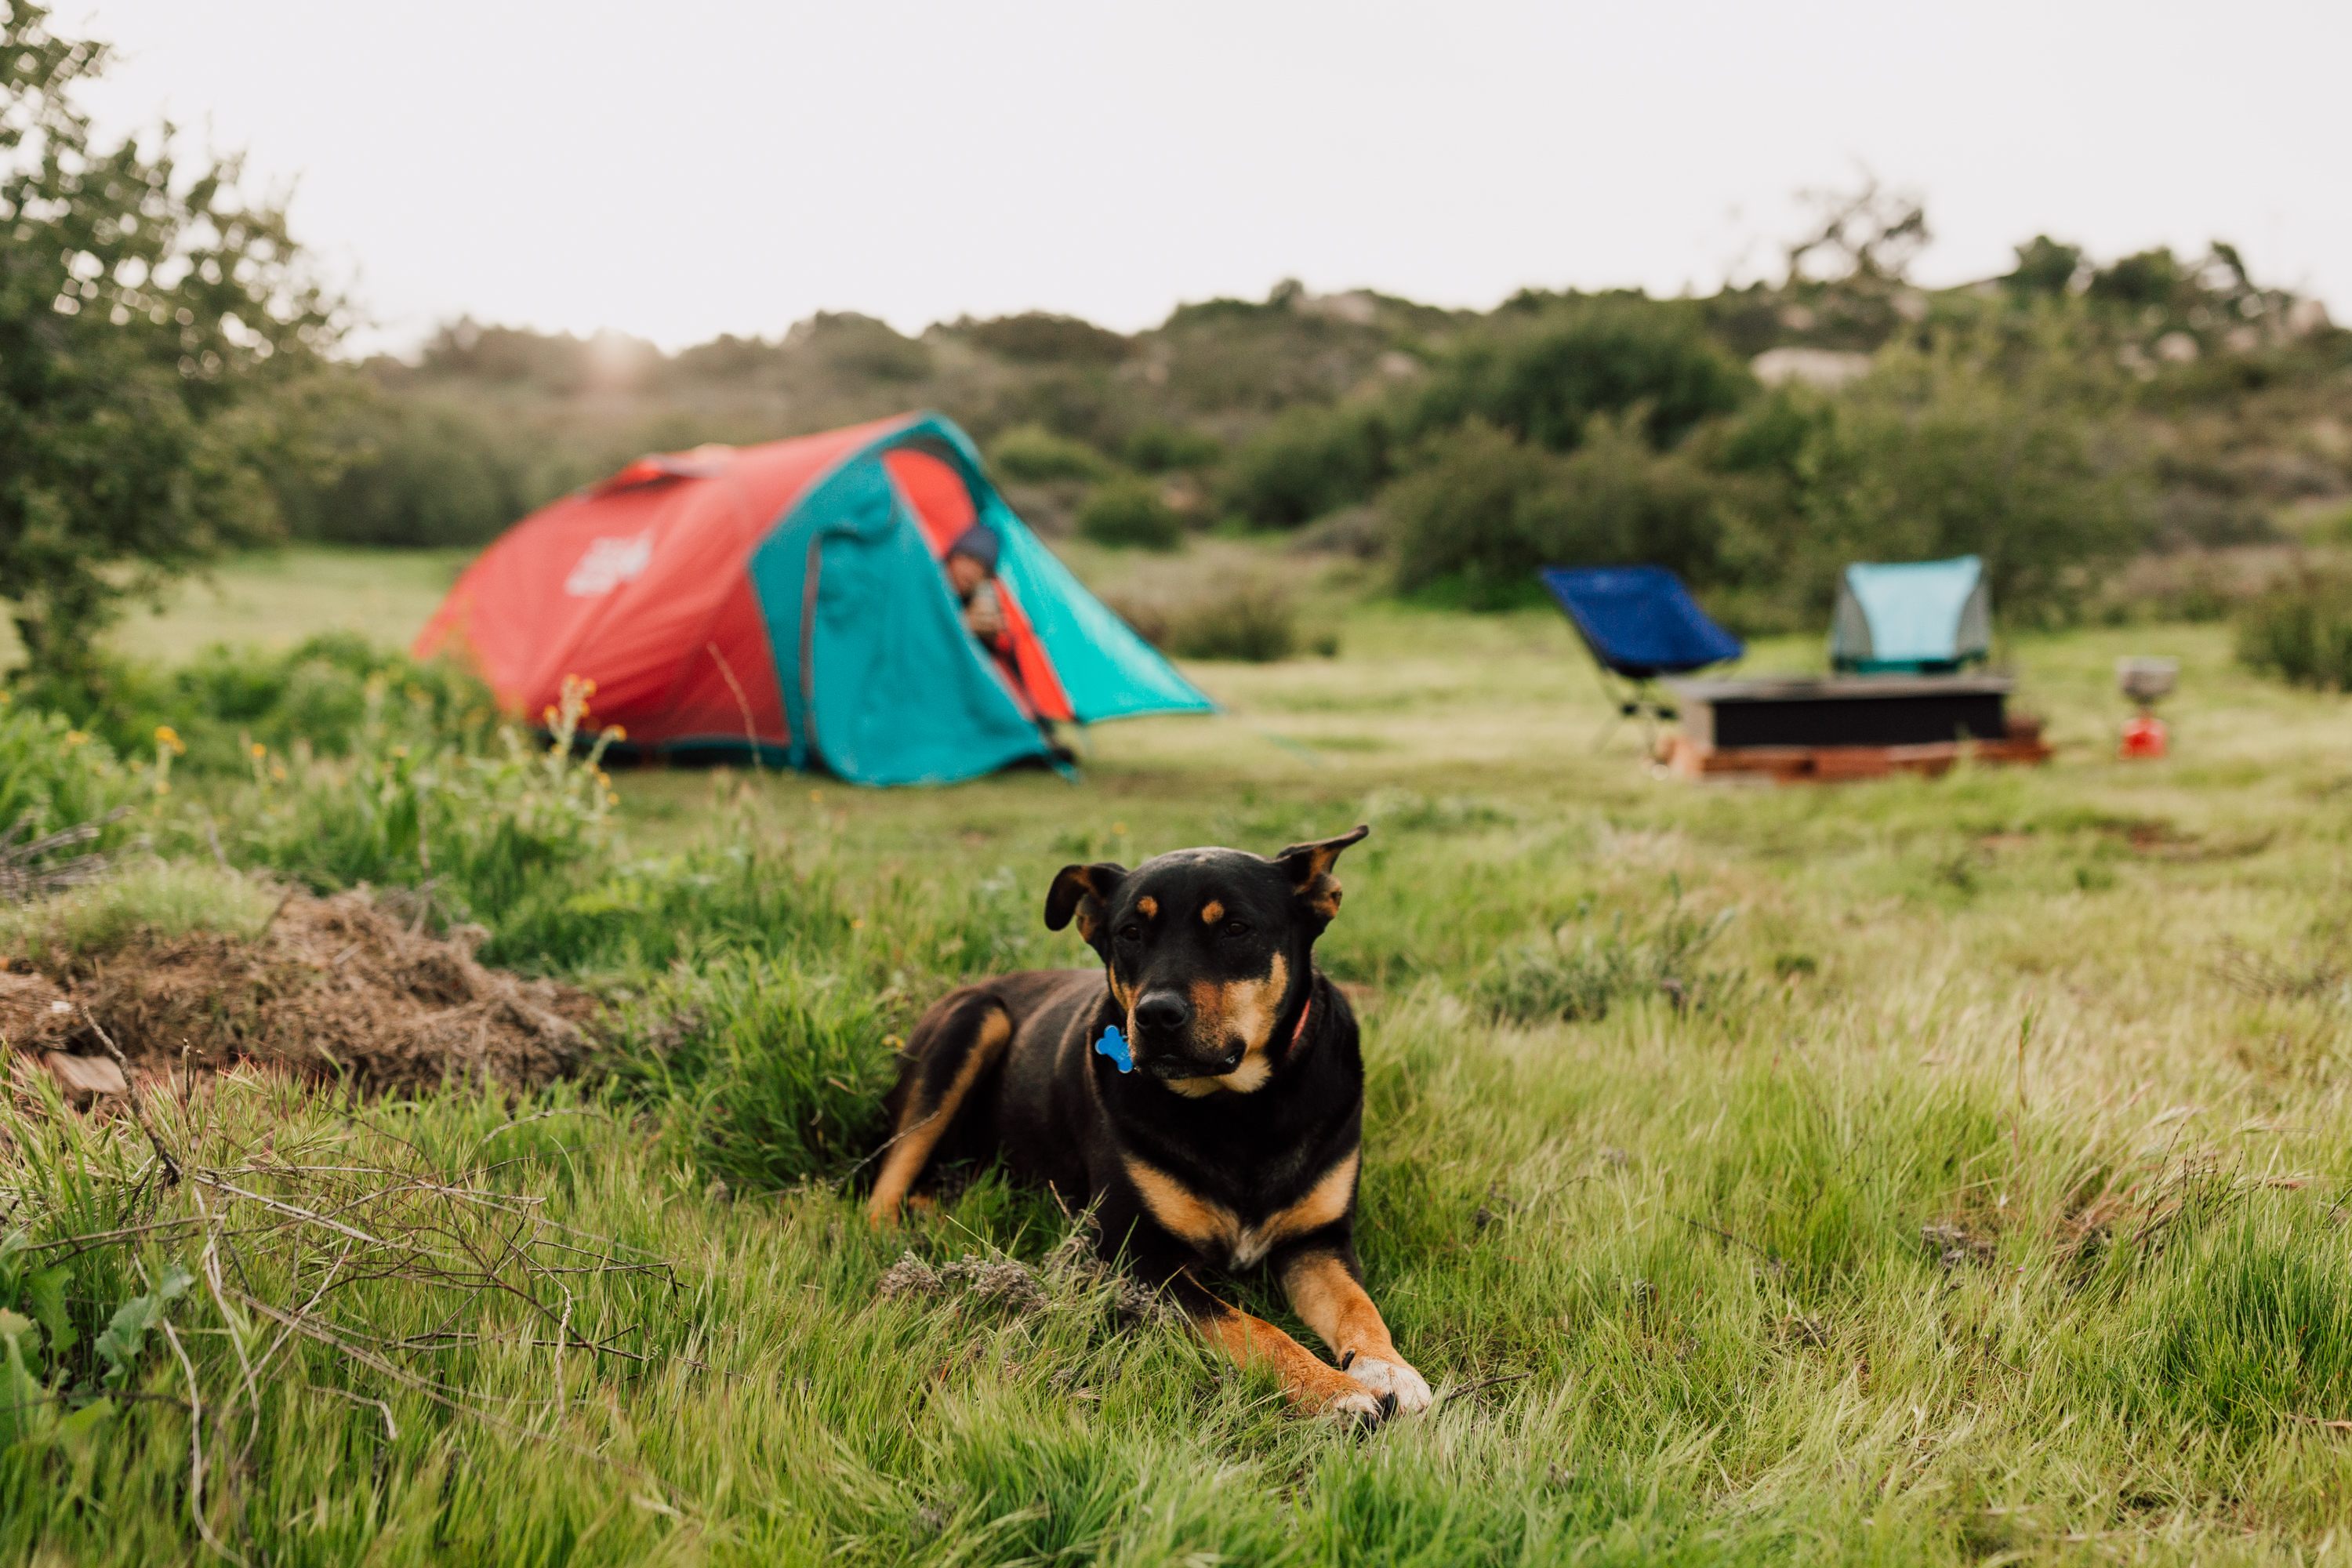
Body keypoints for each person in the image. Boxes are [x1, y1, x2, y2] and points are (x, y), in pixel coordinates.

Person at [945, 524, 1007, 648]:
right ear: (951, 557)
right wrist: (961, 624)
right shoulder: (922, 584)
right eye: (968, 558)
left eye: (981, 568)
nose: (970, 573)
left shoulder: (974, 604)